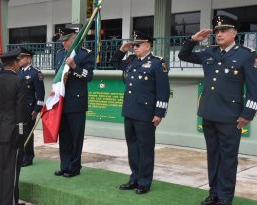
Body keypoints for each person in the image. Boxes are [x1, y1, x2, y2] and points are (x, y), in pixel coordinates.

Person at [178, 15, 257, 205]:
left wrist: (248, 114)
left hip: (231, 117)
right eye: (217, 31)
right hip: (209, 114)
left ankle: (224, 198)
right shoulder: (210, 52)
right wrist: (192, 40)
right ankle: (213, 193)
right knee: (213, 157)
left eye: (224, 30)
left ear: (234, 33)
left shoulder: (246, 55)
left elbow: (254, 89)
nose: (219, 34)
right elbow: (183, 55)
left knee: (228, 159)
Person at [110, 31, 170, 194]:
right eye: (134, 45)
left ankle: (144, 181)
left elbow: (163, 91)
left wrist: (159, 113)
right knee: (132, 147)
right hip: (129, 111)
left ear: (148, 45)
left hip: (146, 113)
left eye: (138, 45)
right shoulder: (131, 60)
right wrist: (122, 49)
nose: (135, 47)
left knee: (145, 148)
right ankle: (134, 178)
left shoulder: (158, 63)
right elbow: (114, 62)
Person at [0, 47, 27, 205]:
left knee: (2, 168)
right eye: (19, 61)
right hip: (13, 131)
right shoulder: (19, 81)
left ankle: (4, 202)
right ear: (15, 63)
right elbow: (20, 111)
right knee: (12, 171)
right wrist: (21, 132)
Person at [52, 28, 95, 178]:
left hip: (76, 101)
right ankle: (64, 165)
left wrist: (74, 66)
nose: (63, 43)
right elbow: (57, 76)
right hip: (62, 101)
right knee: (64, 136)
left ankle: (74, 166)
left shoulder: (85, 54)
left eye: (66, 40)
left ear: (75, 39)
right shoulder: (60, 54)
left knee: (76, 136)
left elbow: (89, 76)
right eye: (62, 40)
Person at [17, 47, 45, 167]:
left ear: (29, 59)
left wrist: (36, 110)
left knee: (27, 133)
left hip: (29, 109)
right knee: (19, 132)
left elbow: (41, 94)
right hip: (19, 108)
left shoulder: (35, 73)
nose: (19, 60)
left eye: (22, 58)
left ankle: (28, 157)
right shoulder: (19, 72)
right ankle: (21, 155)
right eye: (19, 59)